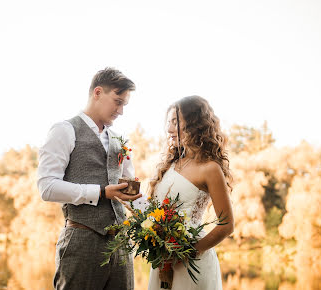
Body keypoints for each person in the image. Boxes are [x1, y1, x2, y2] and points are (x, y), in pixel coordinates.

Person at [37, 67, 142, 290]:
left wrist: (161, 220)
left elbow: (128, 190)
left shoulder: (120, 139)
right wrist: (101, 192)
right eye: (117, 101)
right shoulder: (64, 130)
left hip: (121, 245)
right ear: (97, 93)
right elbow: (47, 187)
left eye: (124, 104)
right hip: (82, 240)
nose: (121, 110)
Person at [147, 95, 234, 290]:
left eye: (175, 122)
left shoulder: (210, 168)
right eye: (168, 122)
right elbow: (155, 211)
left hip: (193, 263)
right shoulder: (170, 165)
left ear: (194, 123)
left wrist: (188, 253)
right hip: (162, 261)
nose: (169, 129)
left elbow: (227, 225)